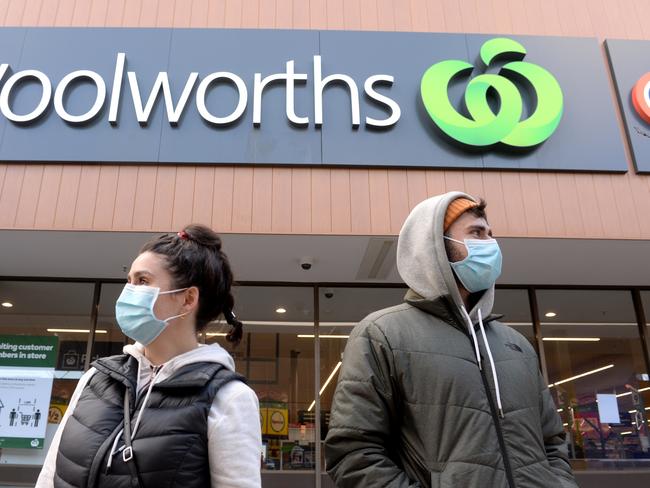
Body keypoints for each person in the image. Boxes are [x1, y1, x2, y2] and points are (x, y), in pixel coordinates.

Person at [324, 192, 578, 488]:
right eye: (476, 233)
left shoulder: (516, 344)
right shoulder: (382, 334)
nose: (490, 244)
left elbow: (552, 442)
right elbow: (353, 453)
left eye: (491, 235)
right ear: (435, 246)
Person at [36, 224, 261, 488]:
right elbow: (50, 477)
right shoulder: (96, 379)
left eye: (143, 281)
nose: (129, 292)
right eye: (129, 280)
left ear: (188, 299)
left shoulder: (229, 397)